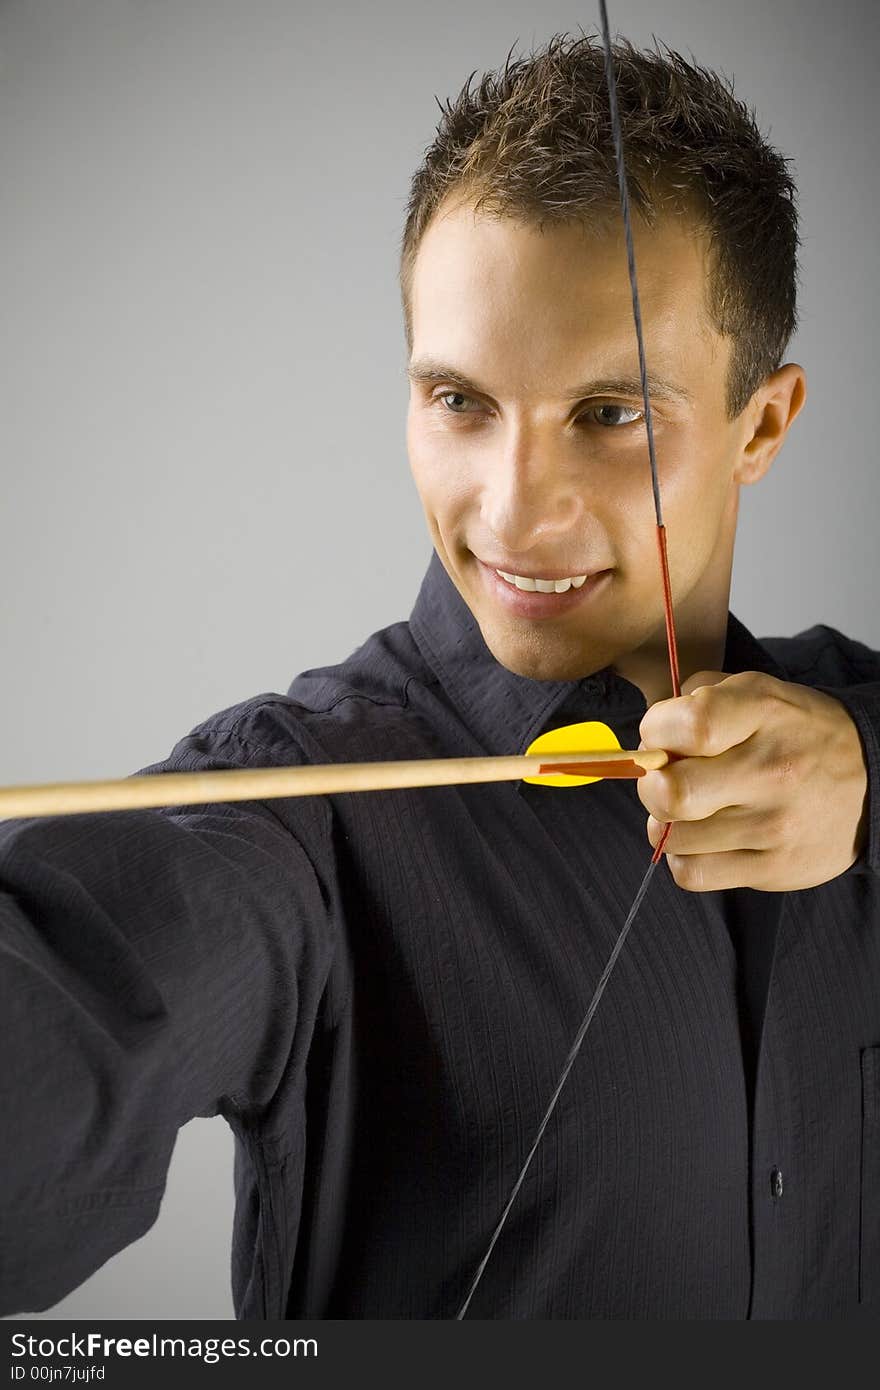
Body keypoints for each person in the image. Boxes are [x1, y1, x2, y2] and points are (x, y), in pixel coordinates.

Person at [2, 31, 878, 1322]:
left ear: (762, 424)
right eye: (461, 401)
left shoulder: (841, 719)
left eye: (610, 412)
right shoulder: (294, 806)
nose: (512, 511)